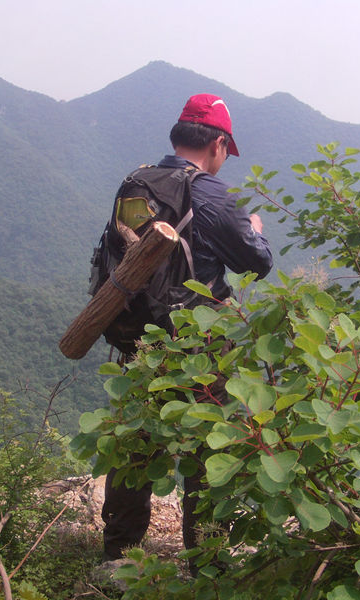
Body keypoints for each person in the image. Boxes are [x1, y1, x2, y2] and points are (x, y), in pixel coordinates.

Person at [101, 93, 273, 566]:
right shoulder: (213, 194)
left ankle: (119, 554)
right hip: (200, 343)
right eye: (226, 150)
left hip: (139, 337)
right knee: (208, 446)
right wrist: (255, 228)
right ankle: (207, 562)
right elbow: (257, 263)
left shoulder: (135, 183)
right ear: (218, 144)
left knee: (135, 441)